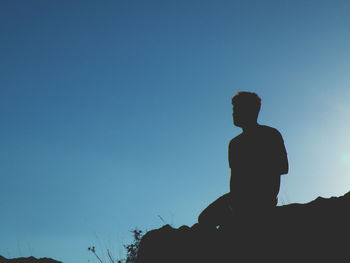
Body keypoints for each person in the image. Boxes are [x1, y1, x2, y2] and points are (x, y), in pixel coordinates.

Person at [198, 91, 288, 229]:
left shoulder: (270, 134)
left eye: (237, 109)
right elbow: (234, 178)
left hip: (263, 198)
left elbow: (282, 167)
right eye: (233, 110)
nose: (233, 114)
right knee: (205, 218)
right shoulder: (235, 143)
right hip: (238, 199)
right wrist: (235, 204)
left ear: (250, 110)